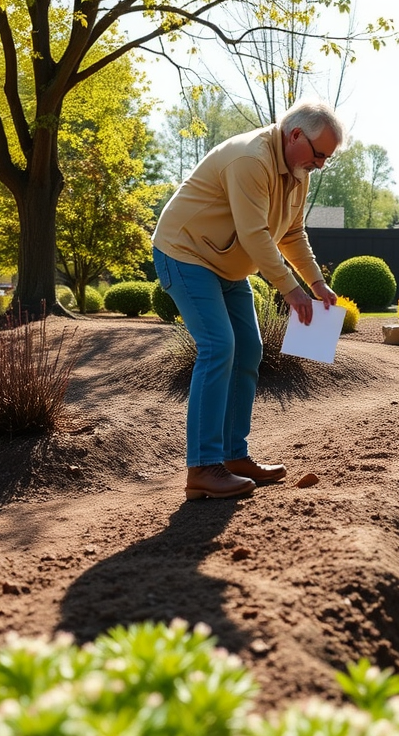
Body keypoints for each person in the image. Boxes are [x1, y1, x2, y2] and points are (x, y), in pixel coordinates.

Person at [151, 99, 342, 501]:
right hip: (185, 252)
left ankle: (233, 456)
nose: (321, 164)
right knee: (219, 346)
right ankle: (203, 467)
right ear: (294, 136)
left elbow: (291, 234)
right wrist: (290, 290)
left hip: (226, 264)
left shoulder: (297, 171)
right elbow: (255, 234)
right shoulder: (250, 159)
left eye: (327, 158)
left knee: (249, 348)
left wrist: (315, 283)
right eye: (319, 154)